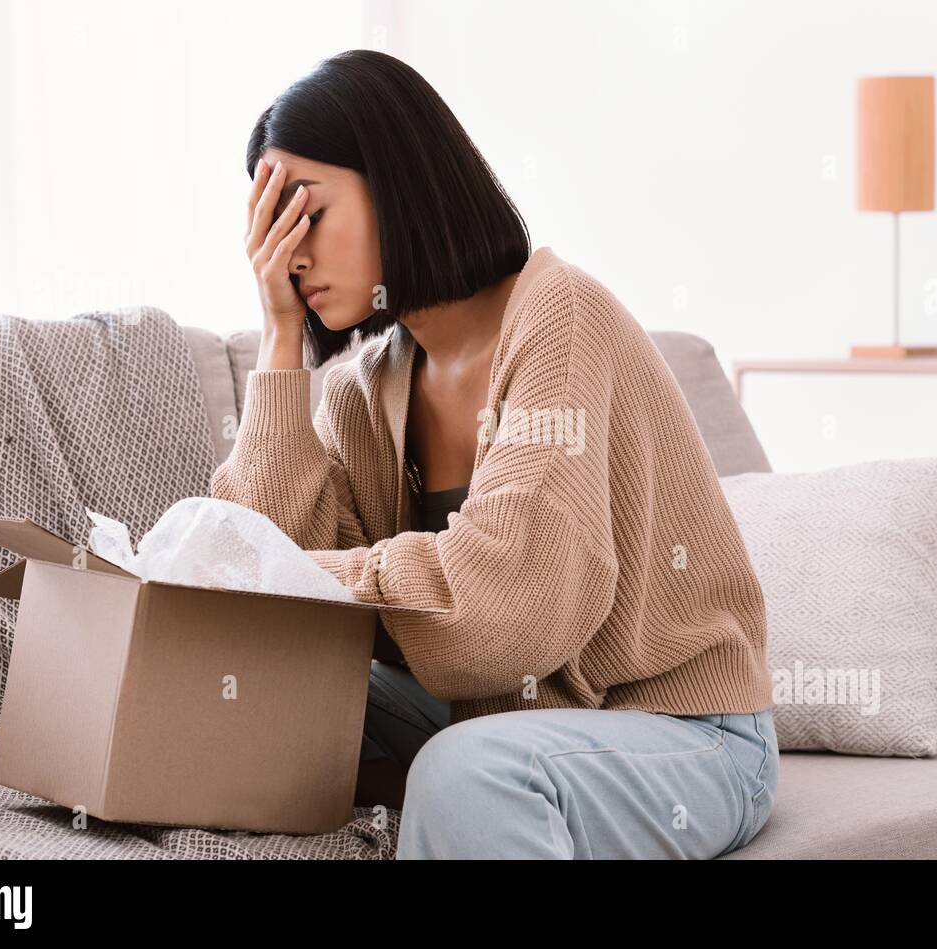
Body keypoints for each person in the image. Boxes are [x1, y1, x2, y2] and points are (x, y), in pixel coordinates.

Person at [211, 49, 778, 859]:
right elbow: (258, 592)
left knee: (466, 774)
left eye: (304, 211)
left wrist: (303, 577)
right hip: (506, 713)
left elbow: (505, 610)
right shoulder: (363, 389)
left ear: (399, 180)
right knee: (252, 690)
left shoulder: (561, 318)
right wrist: (279, 338)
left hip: (683, 730)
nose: (287, 253)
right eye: (268, 225)